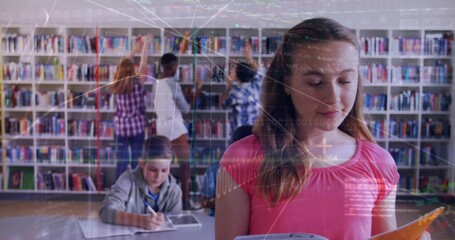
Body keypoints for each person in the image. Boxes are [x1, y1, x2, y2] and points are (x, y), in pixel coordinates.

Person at [215, 18, 431, 240]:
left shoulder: (379, 163)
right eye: (315, 83)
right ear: (286, 83)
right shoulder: (241, 160)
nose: (332, 98)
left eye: (345, 81)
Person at [152, 52, 202, 209]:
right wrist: (197, 92)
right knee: (185, 167)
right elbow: (186, 108)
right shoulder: (173, 84)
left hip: (161, 130)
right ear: (173, 68)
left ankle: (162, 202)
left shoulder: (155, 84)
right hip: (176, 130)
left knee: (163, 168)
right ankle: (185, 202)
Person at [99, 135, 182, 229]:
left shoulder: (174, 190)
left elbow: (176, 226)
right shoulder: (127, 180)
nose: (158, 176)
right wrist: (140, 221)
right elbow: (106, 211)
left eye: (164, 170)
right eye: (153, 170)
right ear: (142, 163)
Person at [112, 34, 151, 177]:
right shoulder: (137, 84)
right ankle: (137, 193)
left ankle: (119, 194)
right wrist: (145, 45)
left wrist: (134, 51)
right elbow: (144, 65)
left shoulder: (116, 84)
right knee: (136, 162)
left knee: (121, 163)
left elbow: (123, 65)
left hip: (120, 128)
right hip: (136, 128)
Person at [200, 125, 253, 216]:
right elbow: (204, 202)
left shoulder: (260, 171)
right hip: (219, 220)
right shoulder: (214, 170)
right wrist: (229, 201)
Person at [223, 41, 262, 135]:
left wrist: (228, 85)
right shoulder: (256, 86)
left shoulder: (235, 92)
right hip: (254, 132)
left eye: (234, 70)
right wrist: (249, 57)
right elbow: (259, 72)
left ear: (238, 74)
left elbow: (224, 104)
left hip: (239, 133)